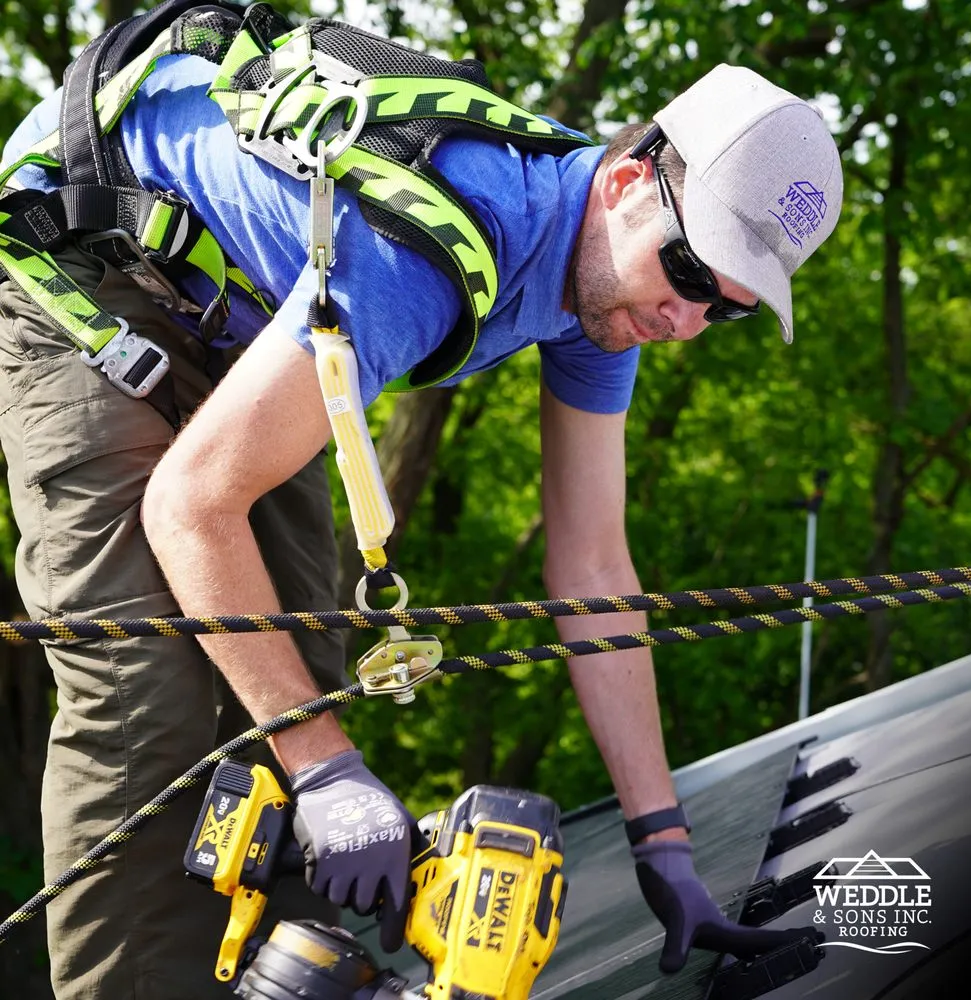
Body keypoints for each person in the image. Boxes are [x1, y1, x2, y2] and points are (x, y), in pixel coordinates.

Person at [0, 5, 843, 997]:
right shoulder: (434, 254)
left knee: (296, 667)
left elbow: (594, 566)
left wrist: (663, 845)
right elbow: (189, 508)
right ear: (624, 182)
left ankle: (287, 976)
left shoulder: (602, 290)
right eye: (692, 270)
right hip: (85, 256)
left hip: (247, 306)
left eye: (726, 308)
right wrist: (319, 767)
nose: (688, 320)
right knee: (149, 700)